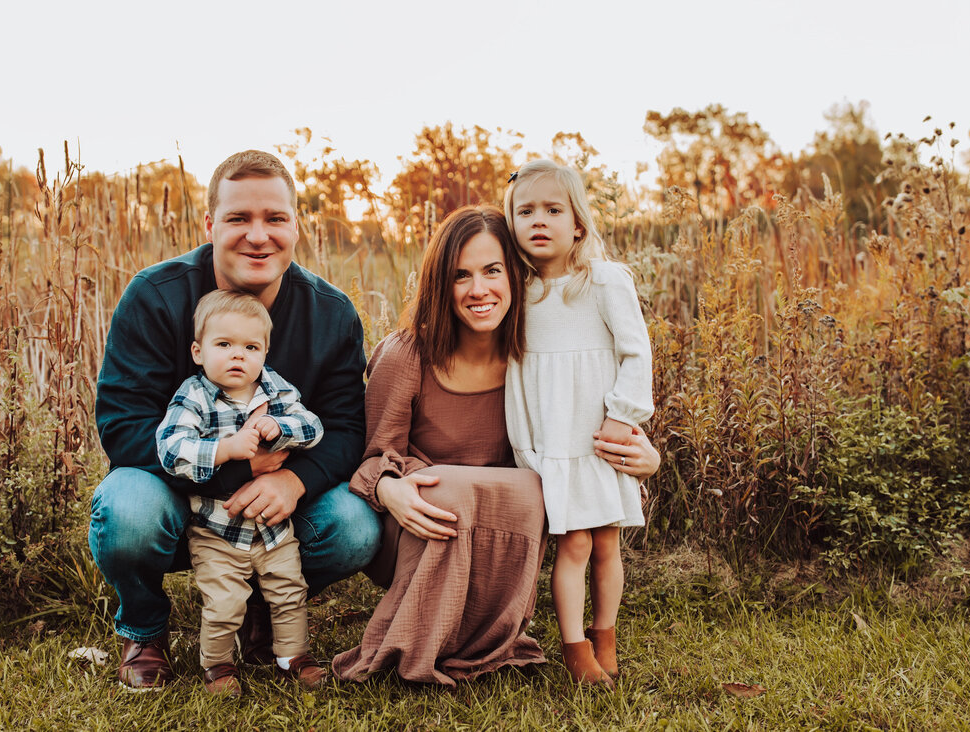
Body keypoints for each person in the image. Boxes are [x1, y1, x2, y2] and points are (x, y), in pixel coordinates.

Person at [331, 205, 660, 686]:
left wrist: (642, 457)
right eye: (461, 275)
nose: (478, 289)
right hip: (416, 524)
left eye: (492, 271)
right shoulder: (407, 355)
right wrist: (387, 490)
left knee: (531, 488)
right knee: (451, 489)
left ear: (516, 276)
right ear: (440, 284)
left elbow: (581, 436)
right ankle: (423, 637)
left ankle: (482, 634)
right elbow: (375, 453)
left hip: (500, 527)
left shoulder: (534, 364)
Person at [90, 150, 380, 691]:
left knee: (355, 527)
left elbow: (346, 427)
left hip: (278, 504)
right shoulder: (154, 297)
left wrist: (294, 481)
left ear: (297, 225)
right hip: (175, 491)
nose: (258, 235)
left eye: (275, 218)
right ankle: (145, 627)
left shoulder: (331, 312)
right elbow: (123, 425)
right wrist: (232, 470)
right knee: (126, 508)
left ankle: (261, 609)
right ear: (209, 225)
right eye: (238, 218)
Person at [503, 160, 655, 689]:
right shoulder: (514, 293)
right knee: (573, 546)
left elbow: (636, 353)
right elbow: (518, 379)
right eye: (526, 211)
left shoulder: (604, 281)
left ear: (578, 226)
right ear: (512, 224)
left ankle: (605, 632)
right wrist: (526, 450)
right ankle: (574, 646)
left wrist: (623, 417)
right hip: (554, 442)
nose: (538, 220)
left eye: (552, 210)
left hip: (600, 436)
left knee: (608, 541)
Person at [155, 290, 327, 696]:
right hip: (218, 529)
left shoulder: (275, 390)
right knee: (224, 602)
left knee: (289, 590)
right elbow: (170, 448)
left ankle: (292, 656)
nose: (238, 356)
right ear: (198, 352)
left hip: (273, 527)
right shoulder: (193, 396)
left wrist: (282, 430)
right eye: (224, 345)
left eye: (251, 347)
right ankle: (218, 666)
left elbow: (313, 426)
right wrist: (226, 452)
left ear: (265, 352)